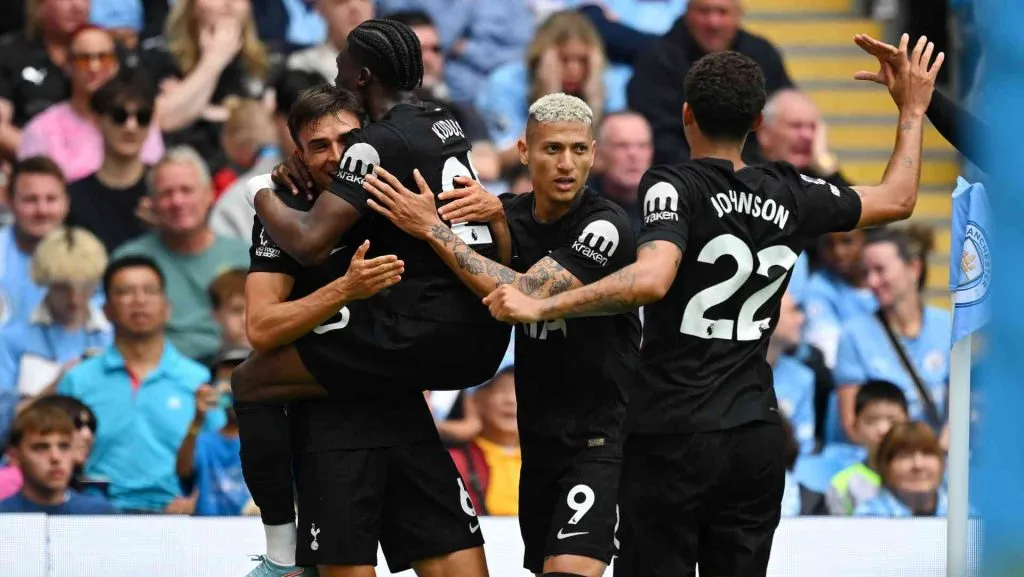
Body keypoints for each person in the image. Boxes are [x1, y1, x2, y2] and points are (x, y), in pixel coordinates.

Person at [483, 35, 943, 577]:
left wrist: (544, 306)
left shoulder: (673, 185)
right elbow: (898, 199)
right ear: (757, 122)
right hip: (754, 433)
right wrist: (911, 109)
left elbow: (653, 279)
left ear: (685, 115)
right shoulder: (790, 190)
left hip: (670, 433)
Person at [363, 92, 640, 577]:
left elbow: (528, 293)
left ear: (595, 154)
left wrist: (434, 229)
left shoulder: (606, 226)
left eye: (578, 150)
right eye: (552, 149)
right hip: (538, 439)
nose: (567, 164)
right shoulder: (504, 214)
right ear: (525, 151)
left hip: (602, 438)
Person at [238, 83, 491, 577]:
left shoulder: (396, 194)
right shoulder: (286, 211)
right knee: (249, 381)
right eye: (318, 146)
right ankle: (281, 558)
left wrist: (497, 211)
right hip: (332, 435)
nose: (335, 155)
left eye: (346, 140)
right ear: (298, 154)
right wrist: (343, 289)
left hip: (406, 417)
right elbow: (261, 327)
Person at [238, 18, 510, 397]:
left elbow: (308, 241)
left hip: (434, 330)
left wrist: (259, 189)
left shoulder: (377, 142)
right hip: (488, 331)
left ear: (362, 76)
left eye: (340, 71)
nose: (336, 81)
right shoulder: (441, 119)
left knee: (251, 379)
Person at [826, 381, 909, 516]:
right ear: (855, 427)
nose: (883, 430)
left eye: (893, 421)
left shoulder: (922, 474)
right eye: (871, 421)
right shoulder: (842, 484)